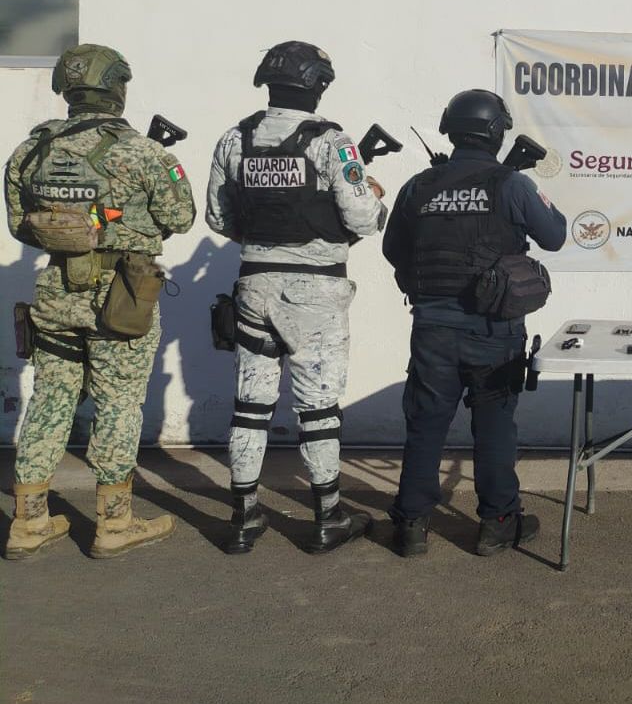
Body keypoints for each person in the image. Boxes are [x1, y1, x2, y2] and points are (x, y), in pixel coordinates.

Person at [4, 44, 195, 559]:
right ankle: (115, 524)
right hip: (122, 296)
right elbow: (180, 218)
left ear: (67, 89)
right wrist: (121, 217)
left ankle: (28, 522)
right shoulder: (144, 152)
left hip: (55, 293)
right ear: (117, 88)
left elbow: (21, 226)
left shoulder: (32, 150)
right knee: (118, 403)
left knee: (50, 399)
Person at [204, 41, 387, 554]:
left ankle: (244, 516)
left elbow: (218, 218)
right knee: (317, 408)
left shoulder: (234, 139)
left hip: (254, 285)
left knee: (250, 406)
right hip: (315, 292)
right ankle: (328, 517)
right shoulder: (333, 142)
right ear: (318, 86)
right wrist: (376, 196)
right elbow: (362, 220)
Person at [381, 89, 566, 557]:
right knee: (495, 426)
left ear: (450, 129)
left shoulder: (419, 186)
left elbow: (393, 251)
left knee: (425, 425)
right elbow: (555, 235)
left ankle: (411, 526)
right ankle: (498, 523)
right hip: (494, 332)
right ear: (497, 132)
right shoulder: (512, 184)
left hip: (433, 330)